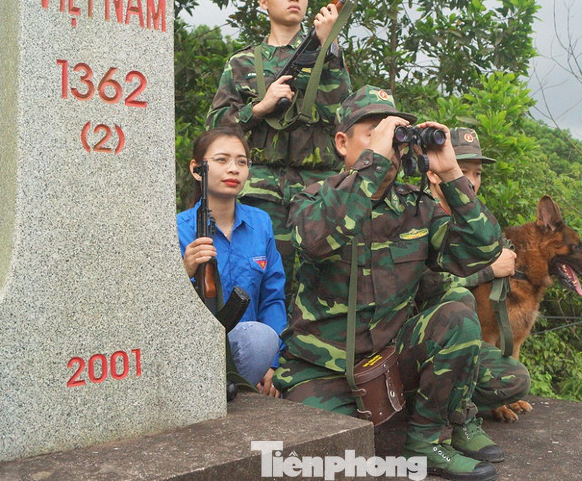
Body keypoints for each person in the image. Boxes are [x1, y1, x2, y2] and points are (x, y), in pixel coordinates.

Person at [274, 87, 505, 481]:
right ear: (342, 143)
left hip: (390, 362)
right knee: (325, 464)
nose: (389, 142)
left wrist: (450, 173)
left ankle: (426, 443)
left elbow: (481, 249)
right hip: (322, 371)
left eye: (393, 132)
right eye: (374, 131)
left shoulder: (415, 207)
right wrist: (374, 164)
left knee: (458, 315)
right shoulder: (312, 198)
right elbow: (314, 241)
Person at [206, 0, 352, 312]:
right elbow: (216, 129)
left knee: (324, 282)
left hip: (318, 188)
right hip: (261, 188)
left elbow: (345, 113)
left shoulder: (328, 55)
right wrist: (259, 107)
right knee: (256, 279)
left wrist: (328, 45)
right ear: (263, 2)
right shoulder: (243, 62)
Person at [419, 128, 531, 420]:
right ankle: (439, 416)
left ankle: (474, 403)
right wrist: (489, 270)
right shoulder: (418, 214)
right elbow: (423, 285)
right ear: (434, 173)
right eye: (462, 170)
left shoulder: (473, 221)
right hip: (420, 339)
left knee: (515, 380)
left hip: (465, 339)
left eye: (477, 173)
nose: (471, 181)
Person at [177, 127, 286, 396]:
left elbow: (272, 298)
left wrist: (271, 365)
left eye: (241, 162)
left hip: (247, 351)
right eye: (222, 160)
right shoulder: (176, 229)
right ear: (196, 169)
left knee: (260, 338)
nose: (233, 169)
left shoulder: (260, 223)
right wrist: (184, 270)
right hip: (189, 356)